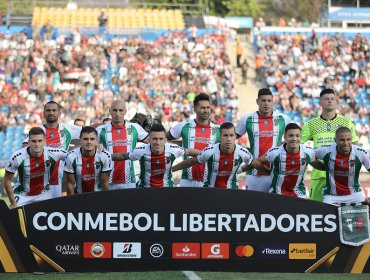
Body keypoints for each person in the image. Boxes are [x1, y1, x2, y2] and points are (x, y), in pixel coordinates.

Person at [301, 88, 359, 202]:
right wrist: (312, 160)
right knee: (316, 210)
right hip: (319, 174)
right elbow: (299, 146)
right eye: (326, 99)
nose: (330, 101)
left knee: (343, 212)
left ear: (336, 102)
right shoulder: (311, 124)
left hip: (342, 175)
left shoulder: (346, 122)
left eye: (332, 99)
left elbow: (355, 146)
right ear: (320, 102)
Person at [22, 101, 82, 198]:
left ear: (59, 113)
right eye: (48, 110)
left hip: (57, 180)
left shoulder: (67, 130)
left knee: (56, 209)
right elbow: (25, 145)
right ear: (44, 113)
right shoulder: (38, 131)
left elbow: (90, 131)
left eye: (54, 110)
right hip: (39, 179)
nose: (51, 112)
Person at [235, 88, 291, 192]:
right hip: (253, 172)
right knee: (254, 205)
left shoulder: (283, 119)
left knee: (275, 207)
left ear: (273, 101)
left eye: (269, 101)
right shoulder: (247, 119)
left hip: (276, 172)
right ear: (257, 101)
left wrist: (286, 144)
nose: (266, 104)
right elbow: (229, 138)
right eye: (263, 100)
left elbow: (294, 139)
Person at [248, 123, 324, 198]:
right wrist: (269, 171)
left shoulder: (308, 152)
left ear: (301, 137)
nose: (294, 139)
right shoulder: (274, 153)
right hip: (277, 194)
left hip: (299, 194)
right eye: (291, 136)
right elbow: (256, 162)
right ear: (285, 137)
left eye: (297, 136)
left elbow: (318, 164)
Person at [112, 123, 200, 188]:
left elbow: (189, 152)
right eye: (154, 139)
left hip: (167, 190)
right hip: (144, 191)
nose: (158, 142)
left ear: (165, 140)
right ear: (149, 140)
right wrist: (106, 156)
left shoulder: (173, 149)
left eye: (161, 139)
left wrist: (206, 154)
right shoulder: (140, 151)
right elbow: (123, 156)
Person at [172, 122, 253, 189]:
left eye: (231, 135)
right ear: (220, 137)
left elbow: (253, 164)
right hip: (210, 191)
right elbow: (192, 161)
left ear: (235, 137)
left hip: (231, 191)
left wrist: (238, 170)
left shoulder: (243, 152)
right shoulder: (209, 152)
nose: (228, 139)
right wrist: (172, 169)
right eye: (225, 135)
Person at [4, 127, 67, 208]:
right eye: (34, 141)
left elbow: (72, 157)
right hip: (22, 195)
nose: (37, 144)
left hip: (44, 194)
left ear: (44, 141)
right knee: (13, 218)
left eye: (40, 141)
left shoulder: (53, 153)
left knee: (54, 214)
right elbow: (7, 179)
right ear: (29, 142)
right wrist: (13, 203)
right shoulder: (16, 157)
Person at [167, 93, 220, 187]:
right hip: (186, 180)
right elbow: (164, 139)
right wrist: (180, 145)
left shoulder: (218, 130)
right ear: (195, 109)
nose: (206, 111)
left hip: (208, 181)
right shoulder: (184, 126)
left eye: (208, 107)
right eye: (202, 108)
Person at [96, 100, 148, 189]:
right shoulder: (101, 130)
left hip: (129, 180)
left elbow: (153, 143)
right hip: (107, 180)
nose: (117, 113)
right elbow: (89, 146)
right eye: (115, 110)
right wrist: (97, 148)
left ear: (125, 111)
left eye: (120, 110)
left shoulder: (134, 128)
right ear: (110, 111)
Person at [315, 127, 370, 205]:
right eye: (342, 140)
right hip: (331, 196)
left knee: (361, 216)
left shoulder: (360, 153)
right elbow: (308, 155)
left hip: (354, 195)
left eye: (348, 139)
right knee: (325, 215)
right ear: (335, 140)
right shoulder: (326, 150)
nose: (346, 143)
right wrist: (322, 167)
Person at [64, 126, 112, 194]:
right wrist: (70, 203)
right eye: (85, 139)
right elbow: (70, 183)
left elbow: (104, 183)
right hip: (79, 195)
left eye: (92, 139)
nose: (89, 142)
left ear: (96, 140)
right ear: (80, 140)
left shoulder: (105, 156)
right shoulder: (71, 156)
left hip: (98, 195)